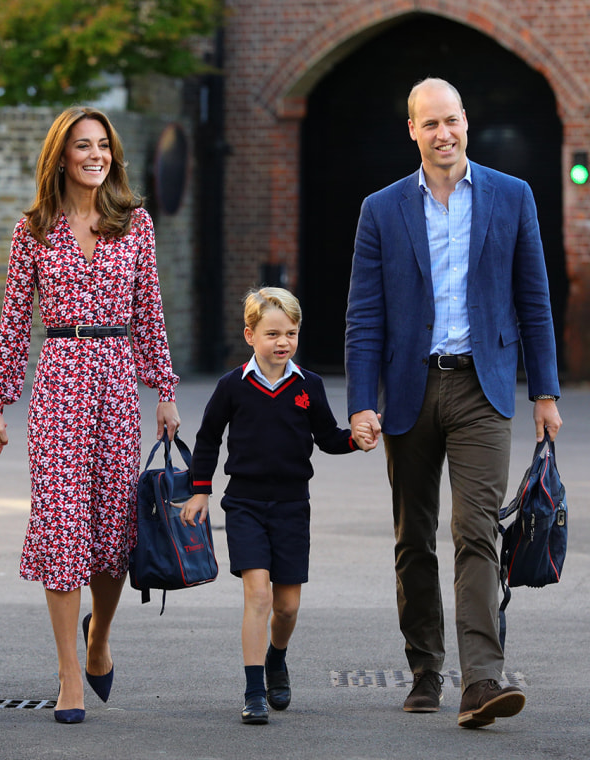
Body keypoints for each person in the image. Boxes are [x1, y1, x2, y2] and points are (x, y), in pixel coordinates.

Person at [345, 77, 562, 729]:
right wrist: (361, 402)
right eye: (430, 124)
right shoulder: (380, 210)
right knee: (414, 537)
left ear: (466, 122)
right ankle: (424, 666)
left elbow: (535, 299)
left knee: (476, 531)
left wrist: (544, 391)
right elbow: (364, 316)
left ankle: (480, 682)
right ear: (411, 130)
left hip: (482, 386)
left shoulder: (511, 195)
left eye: (453, 121)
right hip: (409, 389)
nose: (444, 133)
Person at [0, 106, 180, 724]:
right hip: (61, 379)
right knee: (63, 529)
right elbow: (14, 324)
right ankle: (68, 673)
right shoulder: (33, 229)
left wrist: (163, 389)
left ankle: (98, 639)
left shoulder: (134, 224)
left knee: (114, 535)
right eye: (82, 146)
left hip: (118, 383)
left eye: (103, 146)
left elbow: (149, 311)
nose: (96, 155)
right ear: (60, 157)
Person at [180, 287, 371, 725]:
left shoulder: (310, 387)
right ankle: (253, 693)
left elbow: (327, 438)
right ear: (250, 335)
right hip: (244, 504)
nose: (282, 342)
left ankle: (276, 658)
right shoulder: (232, 386)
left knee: (286, 607)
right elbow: (208, 438)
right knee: (259, 595)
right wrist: (201, 490)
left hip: (291, 506)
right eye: (271, 333)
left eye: (290, 333)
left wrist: (354, 441)